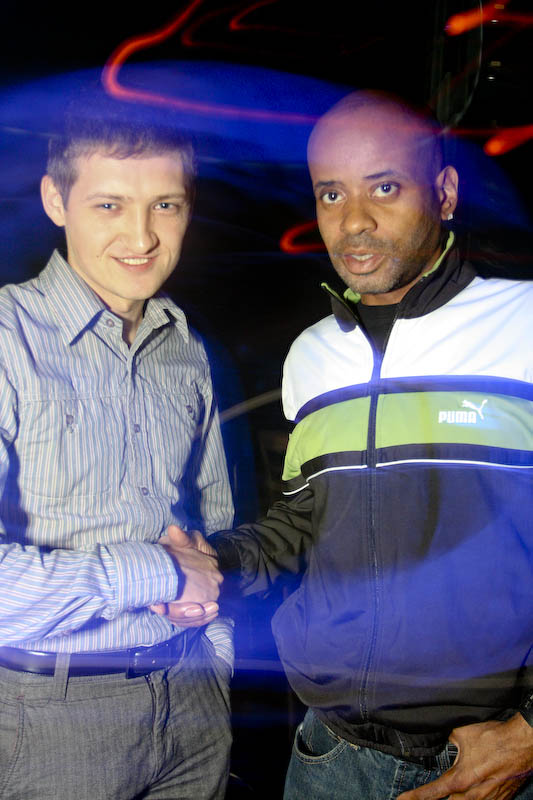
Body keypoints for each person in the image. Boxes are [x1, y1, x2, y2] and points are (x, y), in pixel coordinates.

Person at [201, 91, 533, 798]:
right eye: (331, 193)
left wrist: (529, 733)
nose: (353, 220)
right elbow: (302, 524)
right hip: (327, 756)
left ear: (444, 194)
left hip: (482, 763)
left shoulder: (522, 326)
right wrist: (215, 561)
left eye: (384, 187)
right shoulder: (312, 357)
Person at [0, 95, 234, 800]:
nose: (142, 236)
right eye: (109, 205)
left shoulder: (186, 348)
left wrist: (216, 649)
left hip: (194, 706)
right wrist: (159, 573)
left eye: (165, 205)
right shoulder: (8, 340)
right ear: (56, 200)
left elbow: (216, 525)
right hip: (52, 722)